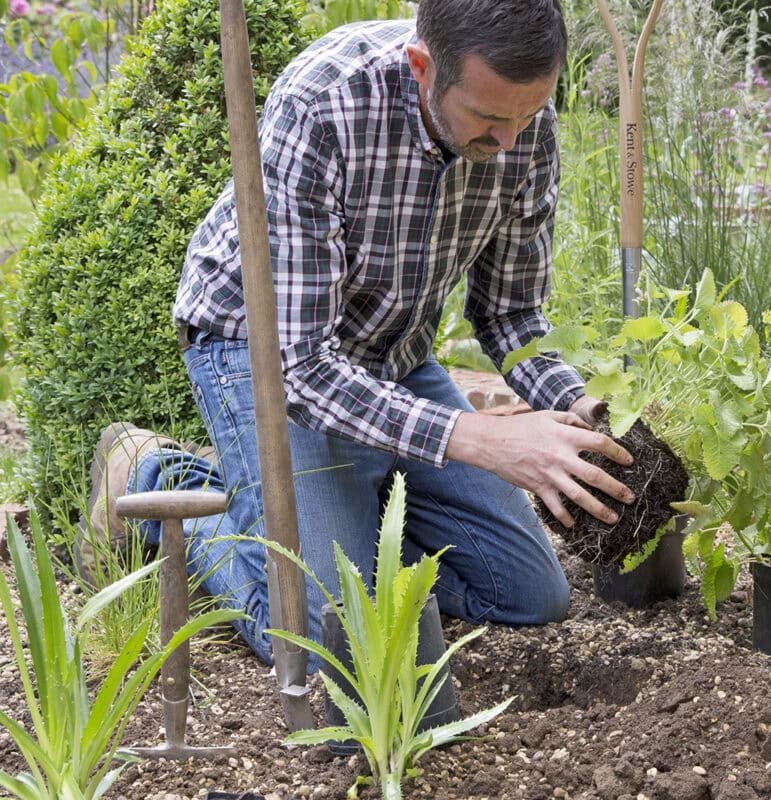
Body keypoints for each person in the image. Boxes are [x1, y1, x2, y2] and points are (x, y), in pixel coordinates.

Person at [83, 0, 634, 668]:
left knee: (530, 593)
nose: (513, 141)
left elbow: (510, 313)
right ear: (424, 66)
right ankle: (157, 474)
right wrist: (479, 439)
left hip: (390, 354)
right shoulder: (323, 105)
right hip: (261, 355)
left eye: (529, 114)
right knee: (323, 640)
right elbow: (304, 368)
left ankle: (342, 529)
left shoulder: (522, 119)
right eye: (491, 119)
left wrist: (583, 407)